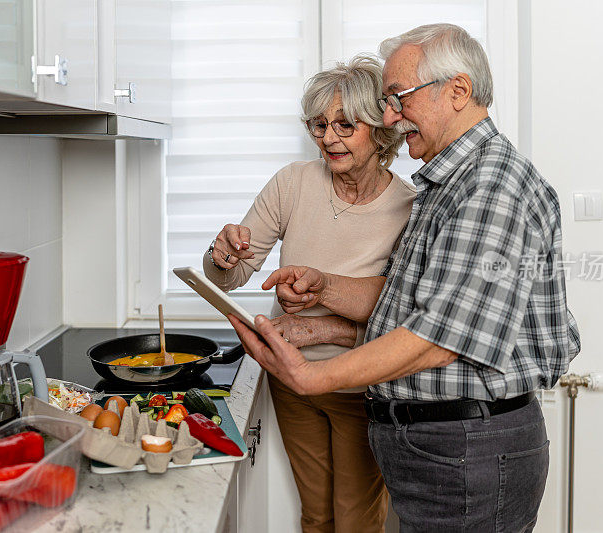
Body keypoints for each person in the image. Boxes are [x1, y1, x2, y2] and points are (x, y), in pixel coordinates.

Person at [227, 24, 581, 533]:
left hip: (468, 449)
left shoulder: (490, 187)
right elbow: (405, 298)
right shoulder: (448, 182)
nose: (390, 115)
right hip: (447, 447)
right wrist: (324, 288)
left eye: (398, 98)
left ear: (457, 91)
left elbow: (442, 336)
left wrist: (314, 376)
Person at [203, 55, 415, 533]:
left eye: (345, 124)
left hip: (361, 388)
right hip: (290, 381)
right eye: (319, 125)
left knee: (357, 521)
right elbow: (230, 276)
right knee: (316, 515)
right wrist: (222, 256)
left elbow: (407, 319)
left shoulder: (408, 208)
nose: (328, 137)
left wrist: (326, 329)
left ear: (381, 130)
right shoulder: (293, 183)